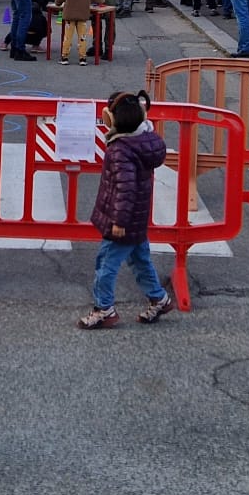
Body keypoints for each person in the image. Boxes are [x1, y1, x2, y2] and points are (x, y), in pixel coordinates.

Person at [79, 91, 174, 329]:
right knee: (140, 260)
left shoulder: (120, 149)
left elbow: (125, 188)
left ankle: (104, 308)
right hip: (138, 217)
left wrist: (118, 221)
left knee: (106, 264)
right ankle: (159, 298)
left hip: (122, 220)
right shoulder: (146, 141)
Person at [50, 0, 106, 65]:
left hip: (69, 14)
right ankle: (82, 58)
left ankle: (64, 57)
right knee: (82, 37)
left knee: (67, 37)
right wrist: (102, 0)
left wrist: (57, 3)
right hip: (83, 14)